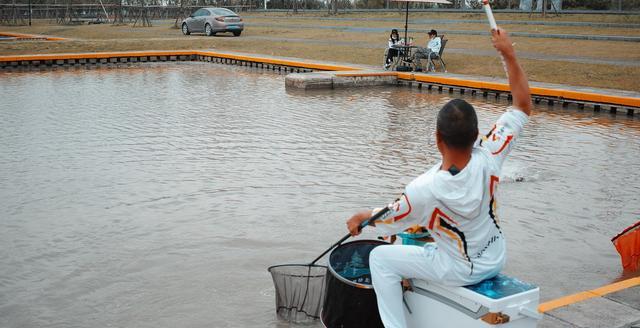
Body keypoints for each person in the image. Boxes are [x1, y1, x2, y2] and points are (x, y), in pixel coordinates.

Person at [345, 28, 532, 328]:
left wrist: (362, 217)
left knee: (381, 258)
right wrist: (508, 54)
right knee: (424, 239)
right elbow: (522, 105)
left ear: (437, 138)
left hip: (460, 269)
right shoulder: (491, 153)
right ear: (476, 135)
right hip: (495, 257)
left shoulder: (425, 188)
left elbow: (392, 218)